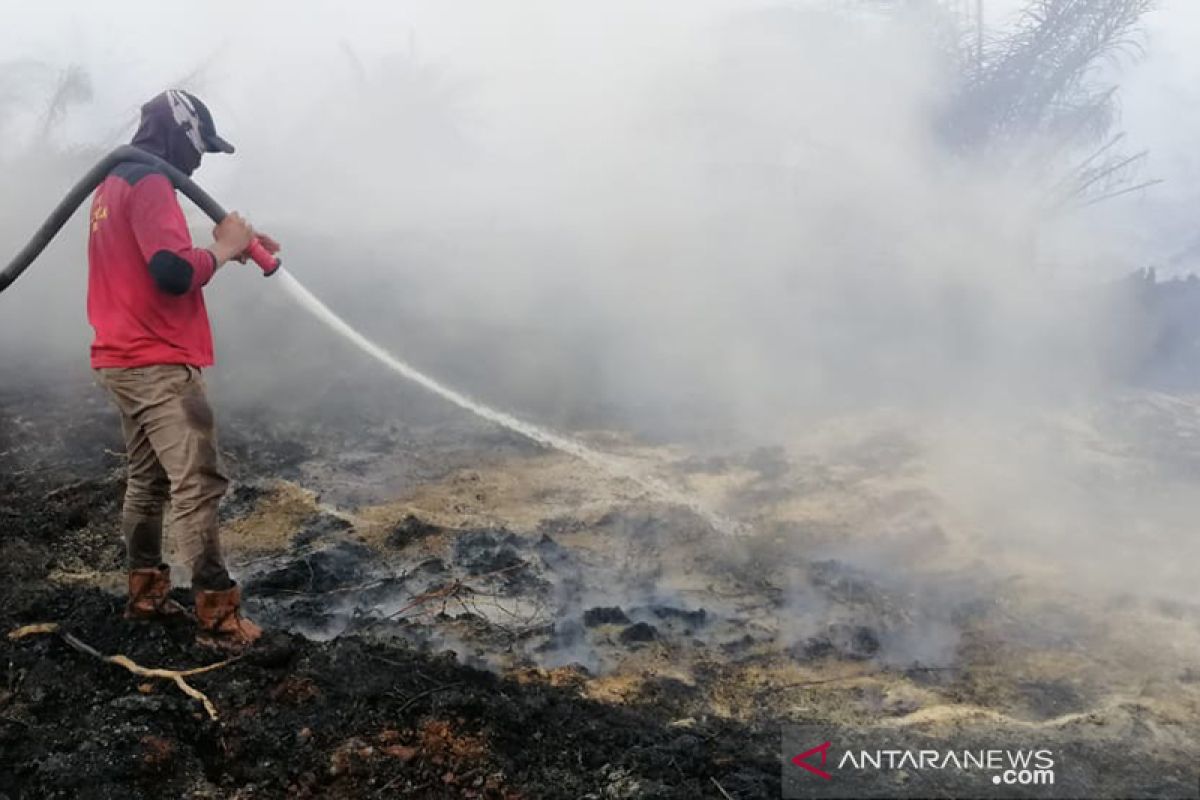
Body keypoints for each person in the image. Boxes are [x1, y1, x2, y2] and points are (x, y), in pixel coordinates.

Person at [87, 90, 279, 649]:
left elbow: (156, 255)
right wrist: (220, 250)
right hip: (156, 362)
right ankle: (218, 617)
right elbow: (171, 271)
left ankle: (146, 592)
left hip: (122, 358)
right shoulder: (149, 180)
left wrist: (230, 247)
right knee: (197, 482)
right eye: (201, 149)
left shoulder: (114, 183)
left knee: (148, 481)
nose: (199, 164)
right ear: (182, 134)